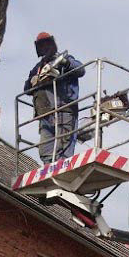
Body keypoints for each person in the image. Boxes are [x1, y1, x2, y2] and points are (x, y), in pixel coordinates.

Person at [23, 31, 83, 164]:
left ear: (52, 44)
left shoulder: (64, 59)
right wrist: (33, 80)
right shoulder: (38, 68)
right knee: (46, 151)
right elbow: (26, 89)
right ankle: (49, 169)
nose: (45, 47)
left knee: (63, 147)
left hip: (64, 110)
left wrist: (65, 63)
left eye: (47, 44)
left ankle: (63, 167)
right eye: (41, 45)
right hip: (46, 115)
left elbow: (80, 69)